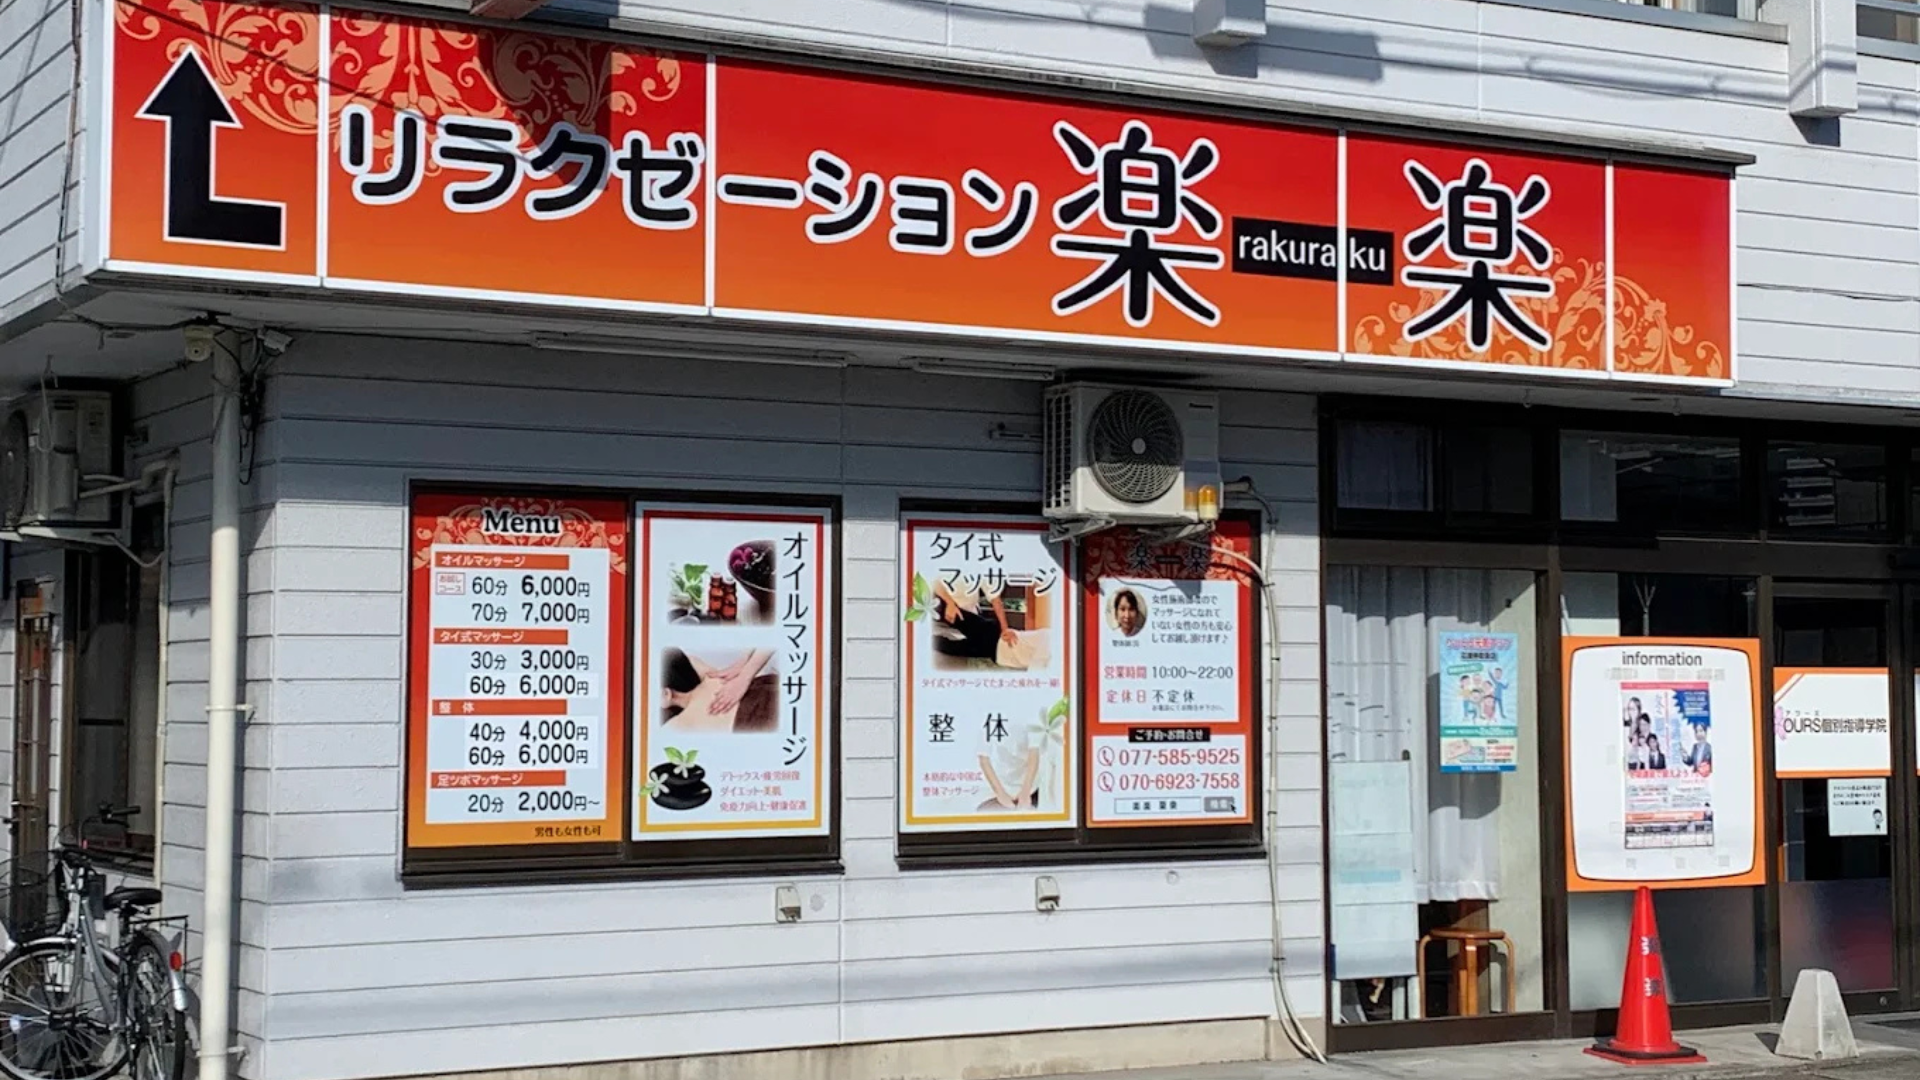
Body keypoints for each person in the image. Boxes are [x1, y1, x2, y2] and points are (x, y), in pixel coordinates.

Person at [661, 647, 776, 732]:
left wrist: (744, 674)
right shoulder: (709, 676)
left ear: (665, 694)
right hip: (767, 686)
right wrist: (743, 664)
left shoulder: (680, 724)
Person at [931, 577, 1019, 663]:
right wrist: (950, 603)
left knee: (992, 635)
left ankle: (938, 643)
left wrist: (1004, 629)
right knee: (991, 641)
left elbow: (995, 599)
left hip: (970, 613)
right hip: (945, 606)